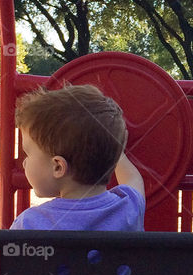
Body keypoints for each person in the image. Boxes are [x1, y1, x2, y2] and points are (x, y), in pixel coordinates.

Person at [11, 84, 146, 231]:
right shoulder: (129, 207)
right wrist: (117, 150)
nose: (24, 163)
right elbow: (133, 179)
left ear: (58, 166)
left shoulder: (29, 224)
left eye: (28, 154)